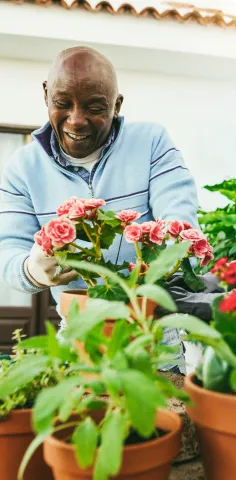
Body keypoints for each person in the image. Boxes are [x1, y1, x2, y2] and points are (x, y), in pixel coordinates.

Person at [0, 47, 199, 372]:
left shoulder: (151, 142)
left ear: (117, 105)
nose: (76, 119)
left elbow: (180, 225)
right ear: (46, 93)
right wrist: (32, 269)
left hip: (154, 341)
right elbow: (7, 253)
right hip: (79, 340)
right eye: (63, 104)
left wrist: (162, 264)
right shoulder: (22, 167)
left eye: (95, 107)